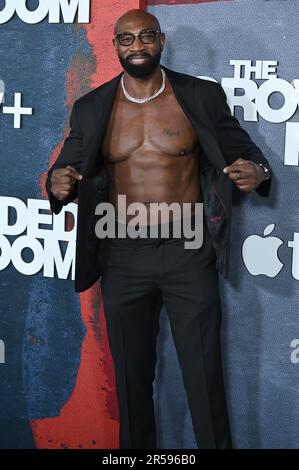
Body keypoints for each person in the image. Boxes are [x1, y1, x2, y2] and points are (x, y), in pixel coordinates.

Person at [45, 9, 272, 449]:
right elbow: (64, 171)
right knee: (131, 383)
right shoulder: (92, 108)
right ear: (115, 46)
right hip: (122, 258)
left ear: (161, 40)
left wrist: (257, 172)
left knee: (204, 380)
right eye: (126, 39)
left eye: (146, 37)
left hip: (189, 253)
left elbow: (247, 153)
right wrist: (56, 185)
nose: (137, 46)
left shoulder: (200, 96)